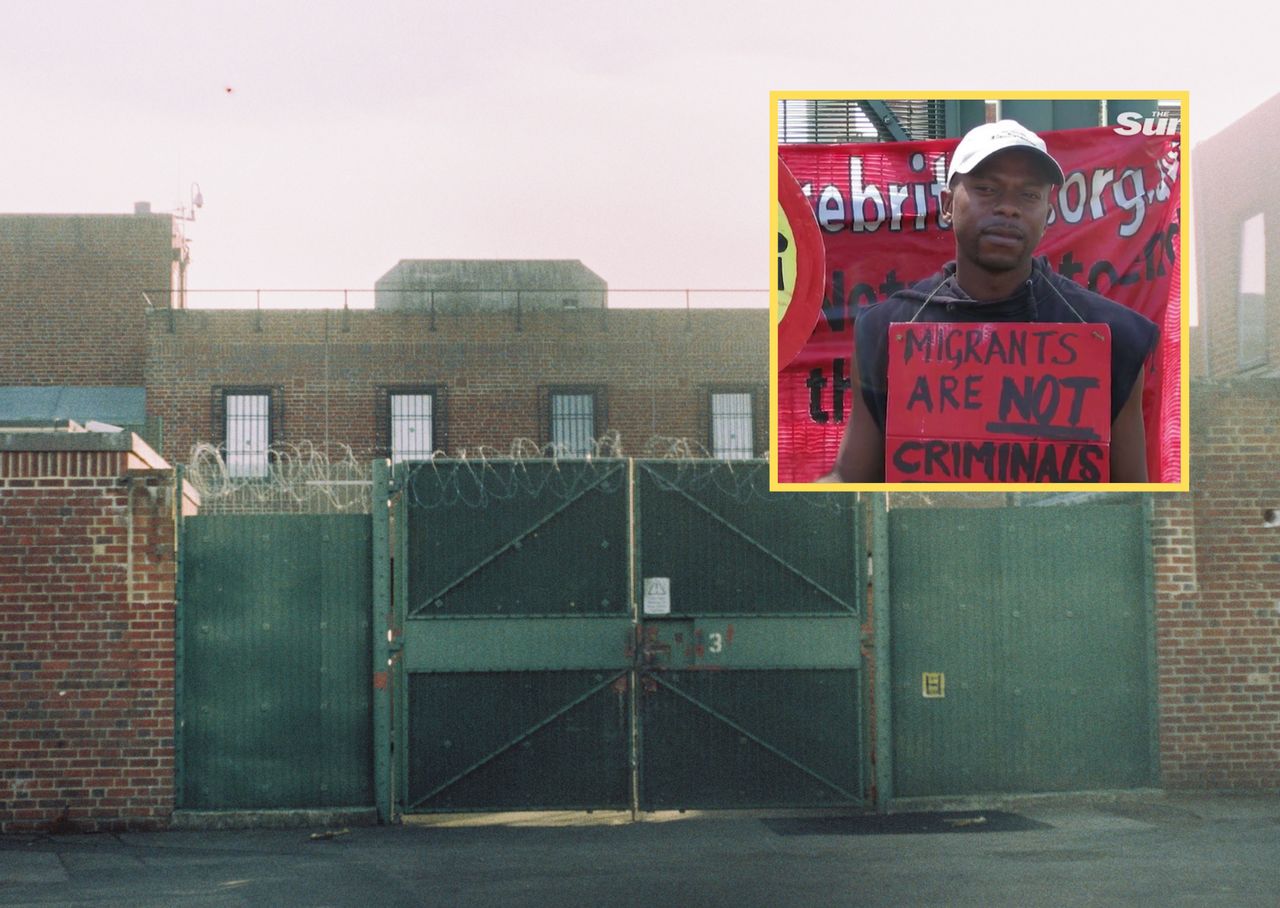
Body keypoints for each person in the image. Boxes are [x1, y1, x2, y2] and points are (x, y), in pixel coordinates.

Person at [822, 119, 1158, 483]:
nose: (1008, 209)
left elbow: (1131, 496)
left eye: (1028, 195)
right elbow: (850, 478)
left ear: (1047, 215)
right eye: (986, 189)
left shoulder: (1113, 337)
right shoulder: (884, 331)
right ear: (949, 205)